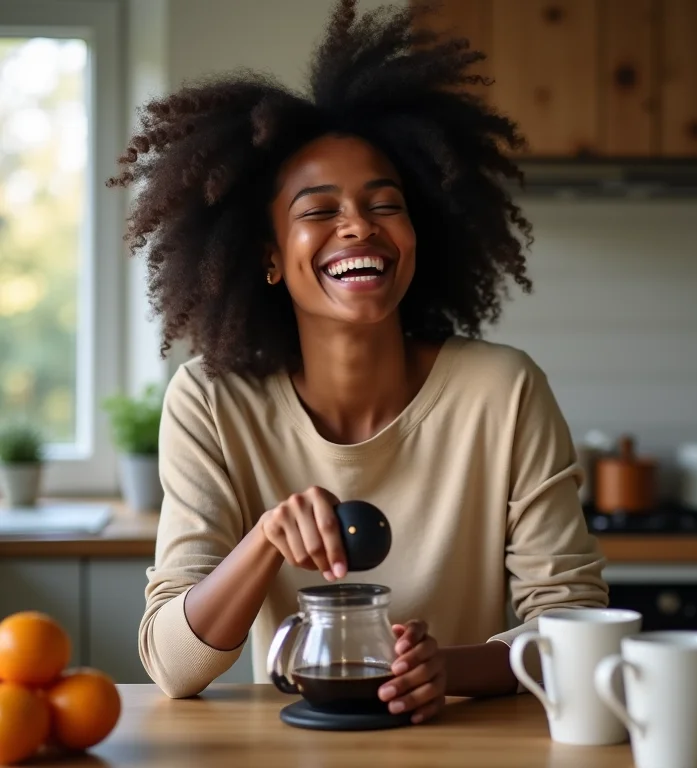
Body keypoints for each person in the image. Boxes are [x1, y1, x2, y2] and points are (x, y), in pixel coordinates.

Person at [109, 0, 608, 724]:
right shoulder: (212, 402)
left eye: (385, 204)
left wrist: (450, 670)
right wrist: (265, 540)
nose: (357, 225)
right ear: (270, 259)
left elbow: (573, 625)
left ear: (418, 234)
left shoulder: (503, 390)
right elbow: (172, 667)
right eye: (318, 211)